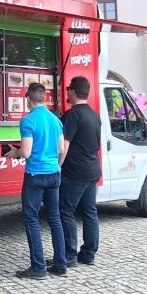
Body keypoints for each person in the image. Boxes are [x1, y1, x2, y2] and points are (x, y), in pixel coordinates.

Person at [7, 82, 67, 279]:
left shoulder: (28, 121)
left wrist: (14, 152)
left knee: (31, 219)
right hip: (53, 174)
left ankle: (38, 268)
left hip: (35, 175)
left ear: (28, 99)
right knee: (55, 219)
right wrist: (57, 167)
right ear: (44, 98)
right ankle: (60, 264)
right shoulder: (55, 120)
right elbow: (61, 150)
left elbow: (26, 152)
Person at [59, 76, 102, 267]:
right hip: (92, 170)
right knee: (90, 212)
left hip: (75, 172)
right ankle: (89, 254)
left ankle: (69, 255)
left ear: (73, 92)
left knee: (66, 211)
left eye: (68, 89)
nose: (67, 91)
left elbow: (64, 145)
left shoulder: (72, 115)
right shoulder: (95, 116)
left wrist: (57, 166)